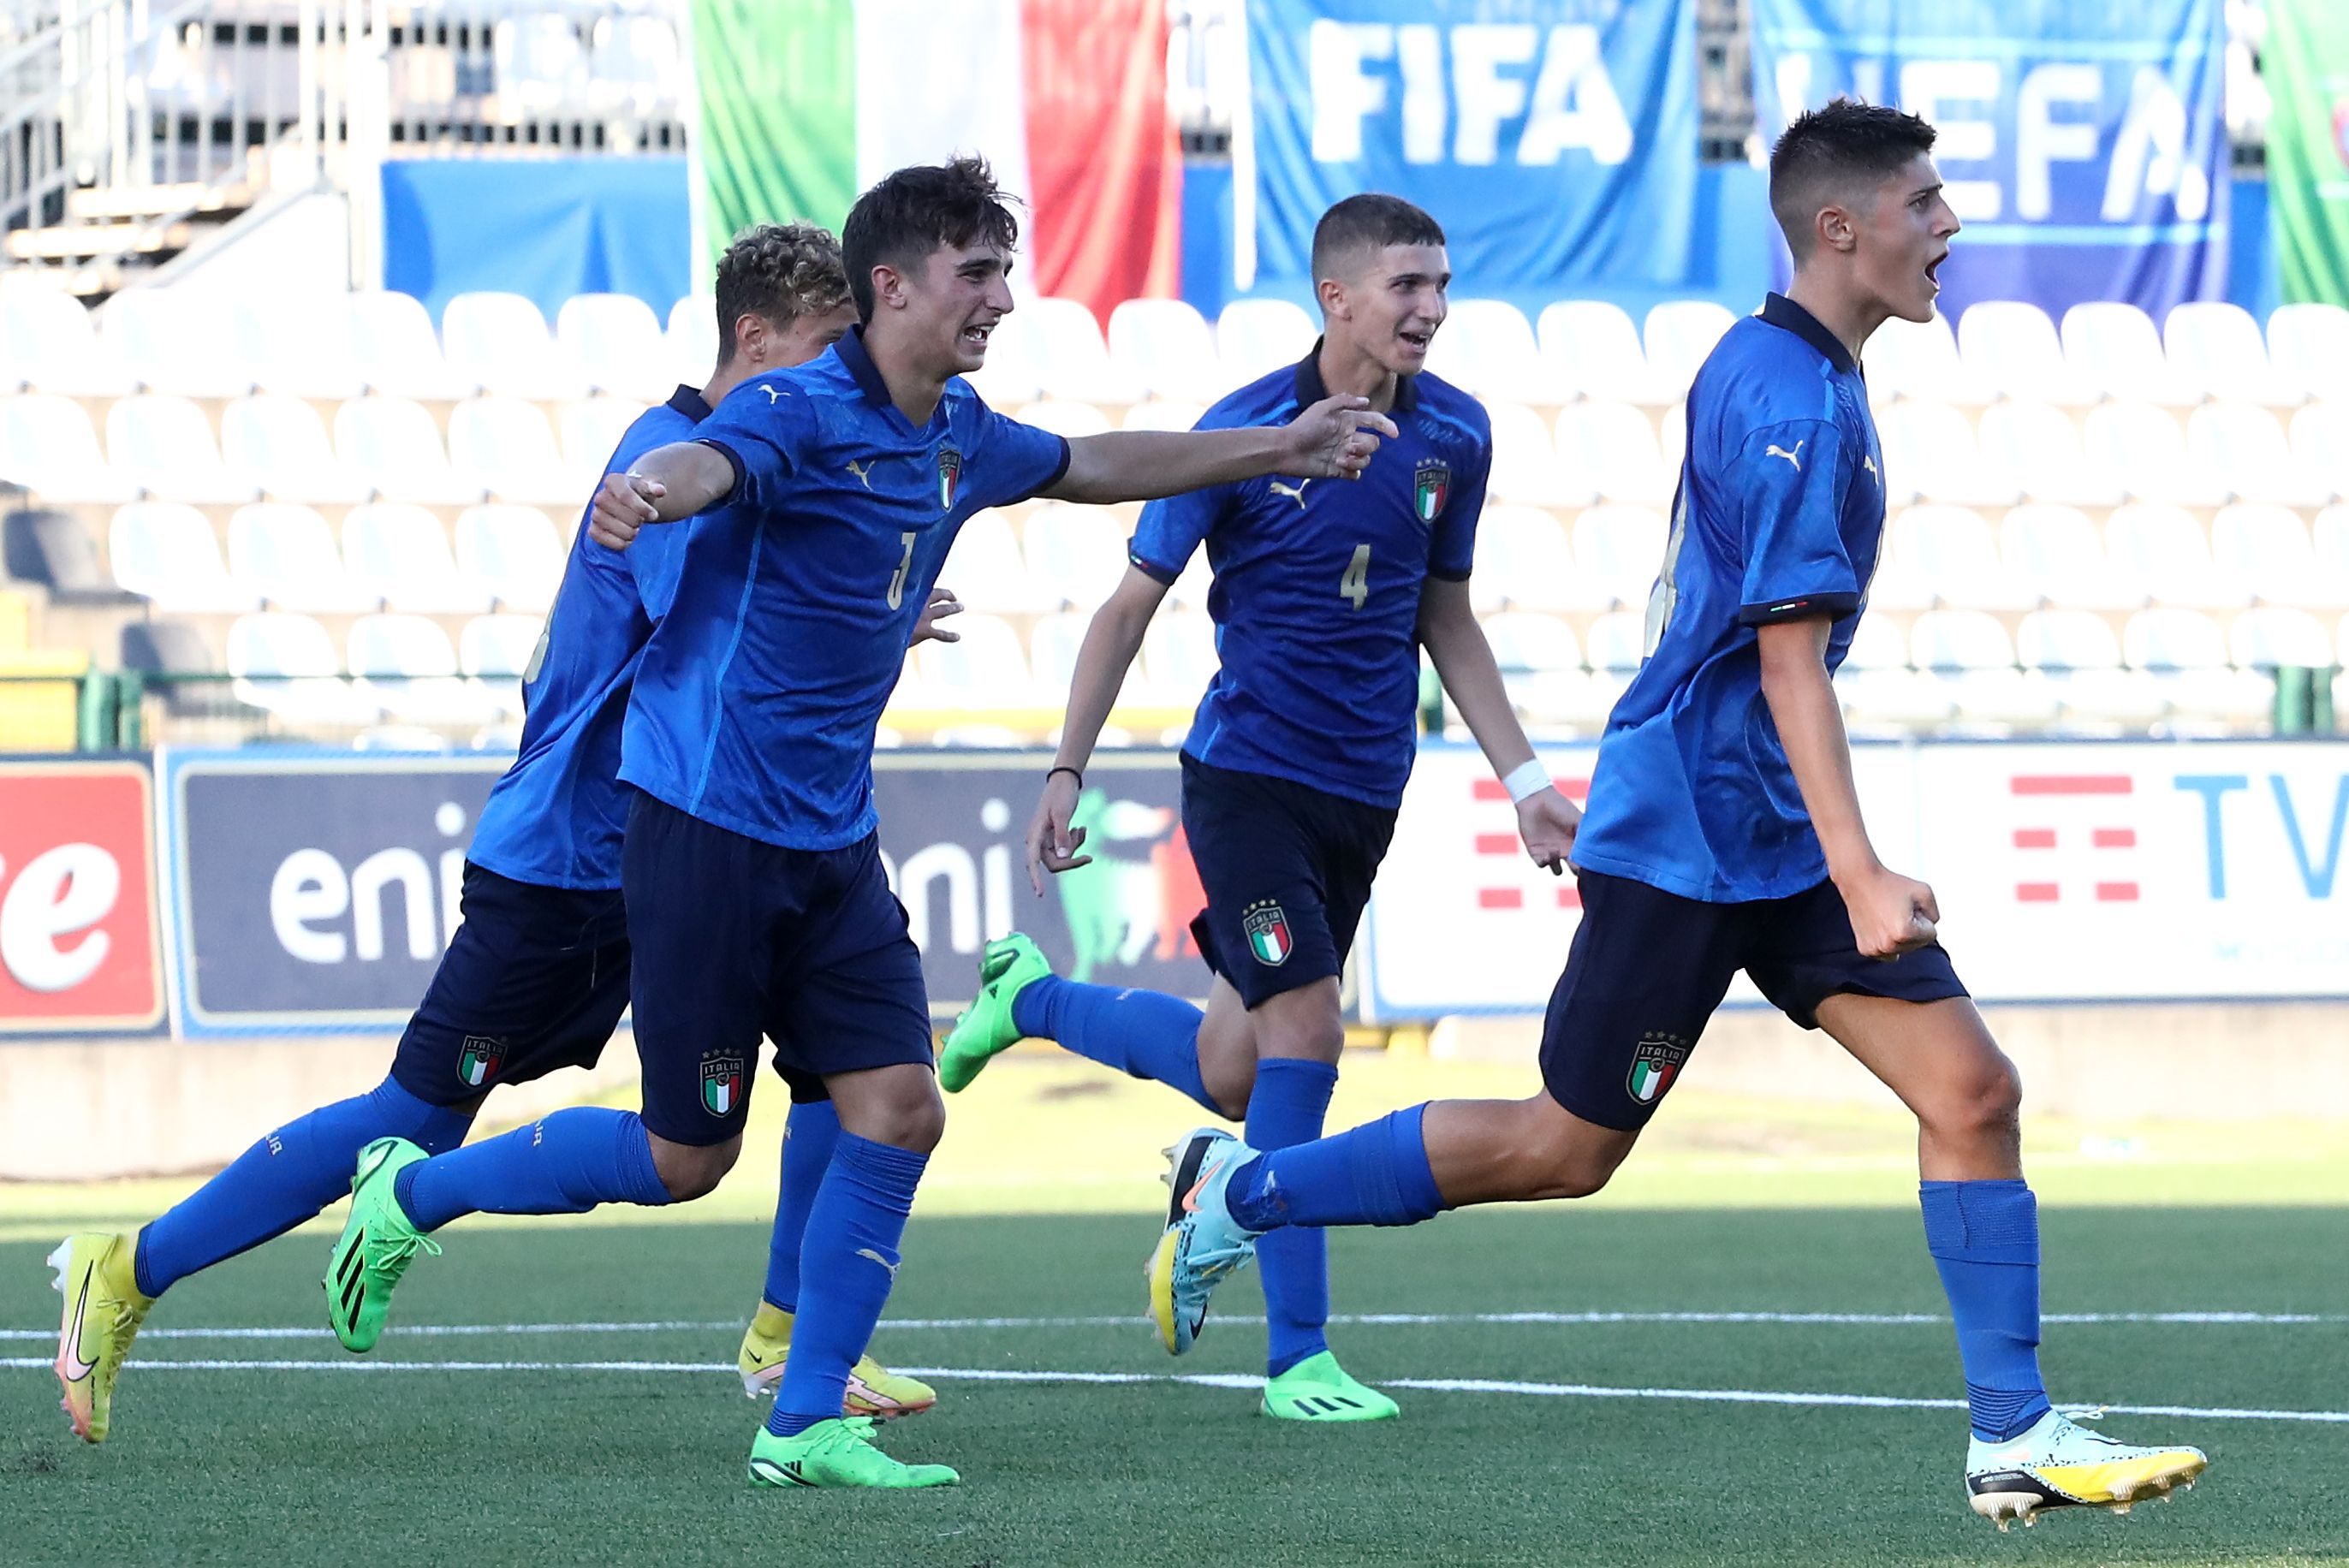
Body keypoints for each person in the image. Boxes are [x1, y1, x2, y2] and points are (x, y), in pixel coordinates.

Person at [1144, 101, 2208, 1529]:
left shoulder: (1816, 375)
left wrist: (1835, 858)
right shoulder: (1783, 396)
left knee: (1973, 1093)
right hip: (1690, 836)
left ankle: (2012, 1433)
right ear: (1842, 227)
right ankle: (1244, 1195)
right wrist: (1862, 869)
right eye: (1926, 202)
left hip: (1770, 825)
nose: (1950, 224)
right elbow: (1784, 660)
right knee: (1562, 1150)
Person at [320, 156, 1397, 1492]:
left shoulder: (960, 429)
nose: (1001, 298)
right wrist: (650, 486)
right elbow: (710, 461)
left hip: (830, 842)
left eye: (1004, 271)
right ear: (891, 285)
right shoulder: (796, 405)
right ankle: (413, 1192)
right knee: (684, 1157)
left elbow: (1091, 464)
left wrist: (1278, 447)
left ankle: (803, 1421)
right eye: (976, 273)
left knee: (898, 1106)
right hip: (705, 830)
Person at [45, 223, 946, 1446]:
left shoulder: (767, 457)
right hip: (579, 859)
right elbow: (711, 636)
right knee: (412, 1121)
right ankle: (130, 1266)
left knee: (853, 1068)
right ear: (754, 338)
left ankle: (793, 1336)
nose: (846, 371)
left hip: (711, 846)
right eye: (828, 343)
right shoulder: (671, 464)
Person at [935, 193, 1577, 1424]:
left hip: (1365, 794)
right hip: (1247, 784)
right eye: (1407, 286)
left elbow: (1444, 614)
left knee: (1234, 1069)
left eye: (1442, 285)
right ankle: (1298, 1357)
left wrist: (1528, 783)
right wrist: (1066, 769)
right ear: (1337, 298)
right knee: (1310, 1037)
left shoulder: (1457, 435)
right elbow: (1128, 607)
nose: (1433, 309)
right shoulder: (1242, 434)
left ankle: (1029, 1001)